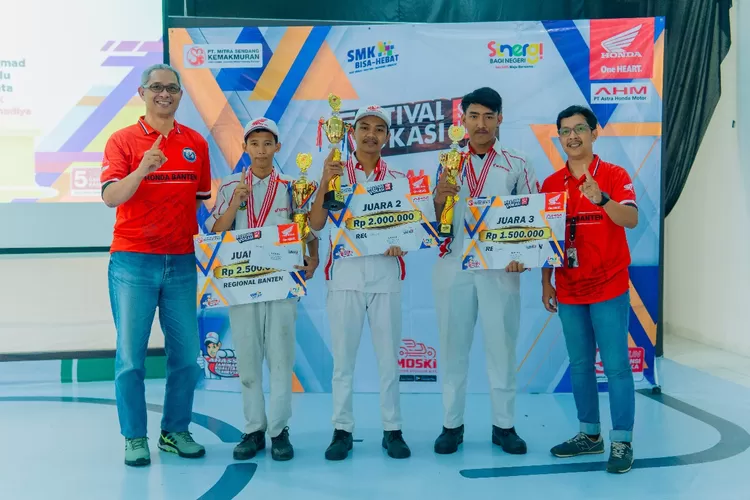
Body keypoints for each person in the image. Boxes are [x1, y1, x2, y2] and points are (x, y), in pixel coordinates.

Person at [100, 63, 211, 467]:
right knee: (131, 358)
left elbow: (197, 201)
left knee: (186, 356)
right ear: (142, 93)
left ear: (180, 94)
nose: (165, 94)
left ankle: (174, 431)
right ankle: (134, 437)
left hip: (181, 261)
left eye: (172, 88)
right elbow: (111, 197)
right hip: (133, 261)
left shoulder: (195, 143)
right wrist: (143, 168)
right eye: (157, 87)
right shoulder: (122, 141)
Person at [206, 117, 320, 462]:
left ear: (277, 147)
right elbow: (215, 233)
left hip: (281, 283)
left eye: (267, 143)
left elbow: (308, 229)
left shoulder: (292, 185)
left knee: (281, 357)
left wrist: (313, 257)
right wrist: (234, 204)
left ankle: (279, 430)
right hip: (242, 286)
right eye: (254, 143)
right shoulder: (230, 186)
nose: (260, 150)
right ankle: (254, 428)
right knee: (248, 358)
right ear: (244, 147)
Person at [432, 87, 538, 455]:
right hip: (454, 263)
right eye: (474, 116)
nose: (481, 124)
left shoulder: (518, 163)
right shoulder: (448, 161)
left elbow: (533, 217)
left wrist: (523, 253)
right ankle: (451, 425)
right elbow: (436, 220)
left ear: (499, 119)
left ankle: (504, 426)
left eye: (489, 117)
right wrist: (440, 196)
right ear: (462, 120)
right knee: (452, 348)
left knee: (502, 348)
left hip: (500, 268)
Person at [309, 105, 411, 461]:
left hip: (385, 275)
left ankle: (392, 429)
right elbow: (316, 224)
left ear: (387, 136)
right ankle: (342, 430)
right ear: (351, 133)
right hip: (346, 276)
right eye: (364, 127)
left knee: (389, 360)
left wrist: (402, 241)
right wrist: (326, 180)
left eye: (379, 129)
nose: (371, 134)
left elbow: (409, 227)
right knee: (343, 362)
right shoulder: (336, 171)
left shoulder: (399, 178)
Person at [540, 105, 638, 474]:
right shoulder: (551, 184)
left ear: (594, 133)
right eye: (565, 131)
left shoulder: (615, 175)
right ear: (559, 138)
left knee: (616, 367)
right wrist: (546, 281)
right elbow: (547, 238)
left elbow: (631, 219)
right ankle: (590, 435)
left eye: (580, 128)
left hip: (609, 286)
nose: (573, 136)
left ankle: (622, 441)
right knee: (580, 366)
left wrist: (602, 199)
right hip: (569, 288)